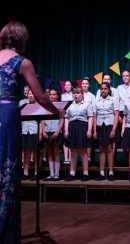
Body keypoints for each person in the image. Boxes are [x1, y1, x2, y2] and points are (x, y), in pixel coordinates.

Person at [0, 21, 64, 244]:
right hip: (6, 116)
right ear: (22, 39)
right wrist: (57, 112)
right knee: (7, 171)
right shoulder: (22, 62)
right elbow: (41, 97)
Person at [64, 87, 93, 181]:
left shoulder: (87, 104)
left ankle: (85, 173)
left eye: (77, 93)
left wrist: (89, 130)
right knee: (73, 151)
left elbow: (90, 117)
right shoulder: (69, 105)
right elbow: (67, 118)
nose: (75, 95)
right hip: (72, 127)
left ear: (82, 94)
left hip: (82, 127)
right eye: (74, 93)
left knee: (83, 151)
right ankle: (72, 173)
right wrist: (66, 130)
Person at [93, 82, 119, 181]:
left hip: (109, 125)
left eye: (105, 89)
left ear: (109, 90)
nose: (103, 90)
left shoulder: (113, 100)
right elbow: (95, 116)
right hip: (100, 126)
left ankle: (111, 172)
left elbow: (116, 115)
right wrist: (95, 131)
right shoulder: (96, 101)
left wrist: (113, 129)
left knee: (109, 149)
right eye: (102, 89)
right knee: (101, 149)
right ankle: (102, 172)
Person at [41, 88, 64, 181]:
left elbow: (62, 120)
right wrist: (43, 131)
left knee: (56, 152)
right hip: (47, 131)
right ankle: (51, 173)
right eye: (51, 94)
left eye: (54, 94)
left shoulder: (60, 106)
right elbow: (42, 119)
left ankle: (57, 174)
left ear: (57, 96)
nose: (52, 96)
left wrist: (58, 131)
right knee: (50, 152)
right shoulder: (45, 106)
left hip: (55, 131)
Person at [61, 80, 74, 165]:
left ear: (71, 86)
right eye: (65, 85)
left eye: (69, 85)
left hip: (72, 117)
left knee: (71, 138)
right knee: (65, 138)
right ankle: (65, 158)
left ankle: (70, 158)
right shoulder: (62, 96)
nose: (67, 86)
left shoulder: (74, 95)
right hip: (64, 117)